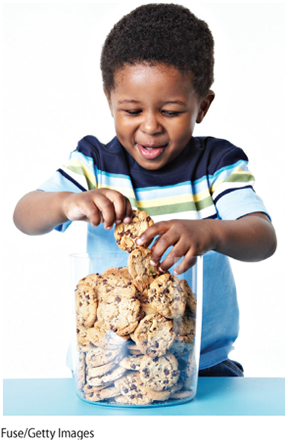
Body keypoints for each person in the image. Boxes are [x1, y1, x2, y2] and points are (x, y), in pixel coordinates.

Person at [13, 4, 277, 377]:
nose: (150, 126)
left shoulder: (217, 166)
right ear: (109, 100)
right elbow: (24, 215)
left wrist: (211, 232)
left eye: (170, 111)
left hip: (203, 366)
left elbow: (263, 238)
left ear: (202, 106)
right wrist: (68, 202)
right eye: (132, 110)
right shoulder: (94, 164)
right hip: (109, 362)